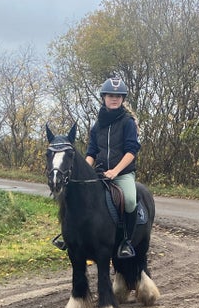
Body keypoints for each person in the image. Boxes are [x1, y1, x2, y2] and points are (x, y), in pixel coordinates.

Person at [52, 75, 141, 258]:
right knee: (75, 197)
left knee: (130, 200)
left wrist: (115, 171)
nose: (114, 99)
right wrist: (86, 171)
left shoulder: (127, 123)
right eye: (110, 96)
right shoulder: (97, 126)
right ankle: (68, 236)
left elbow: (131, 150)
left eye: (118, 96)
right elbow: (91, 152)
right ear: (104, 98)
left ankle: (126, 242)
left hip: (122, 173)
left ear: (123, 99)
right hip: (99, 173)